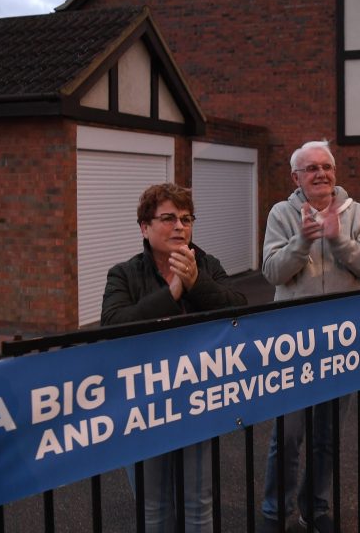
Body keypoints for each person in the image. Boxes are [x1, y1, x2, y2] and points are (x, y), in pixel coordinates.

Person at [101, 182, 246, 532]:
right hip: (144, 405)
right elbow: (115, 325)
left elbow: (239, 308)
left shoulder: (207, 264)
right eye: (168, 218)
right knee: (154, 509)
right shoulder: (124, 273)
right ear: (144, 227)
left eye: (186, 218)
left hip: (196, 400)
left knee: (199, 506)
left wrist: (196, 283)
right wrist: (174, 291)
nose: (180, 226)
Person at [260, 140, 360, 532]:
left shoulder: (358, 214)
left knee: (327, 436)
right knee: (288, 435)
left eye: (326, 167)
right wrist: (303, 241)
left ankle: (315, 508)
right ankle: (274, 512)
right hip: (293, 343)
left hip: (342, 343)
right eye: (311, 168)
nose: (321, 174)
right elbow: (272, 273)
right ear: (295, 177)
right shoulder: (281, 213)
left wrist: (338, 240)